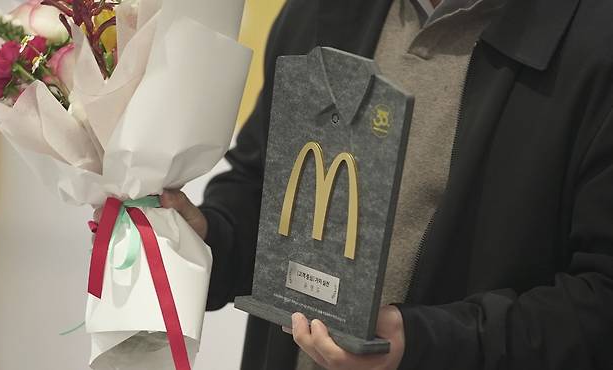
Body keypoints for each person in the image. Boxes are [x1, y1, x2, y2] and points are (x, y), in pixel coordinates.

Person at [106, 0, 613, 368]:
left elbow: (598, 304)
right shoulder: (324, 11)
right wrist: (205, 238)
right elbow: (261, 185)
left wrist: (418, 342)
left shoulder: (593, 44)